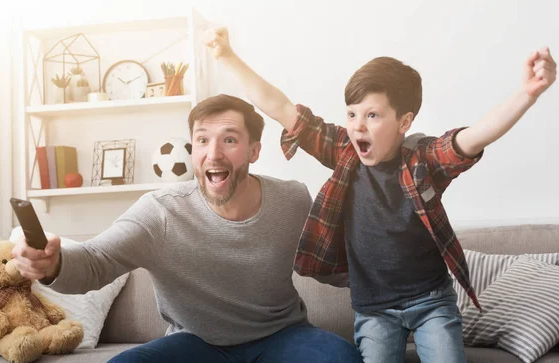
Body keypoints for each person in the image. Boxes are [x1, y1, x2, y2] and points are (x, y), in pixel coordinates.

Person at [205, 27, 557, 363]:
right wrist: (228, 55)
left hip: (432, 302)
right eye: (352, 114)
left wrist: (528, 93)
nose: (358, 124)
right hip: (374, 309)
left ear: (403, 122)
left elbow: (474, 137)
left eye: (372, 115)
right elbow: (279, 106)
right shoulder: (344, 150)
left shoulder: (423, 160)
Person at [11, 94, 360, 363]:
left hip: (283, 336)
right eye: (203, 140)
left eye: (229, 140)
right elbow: (96, 261)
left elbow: (333, 265)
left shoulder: (293, 200)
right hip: (195, 344)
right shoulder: (161, 211)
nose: (213, 153)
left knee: (340, 358)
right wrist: (52, 265)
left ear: (254, 151)